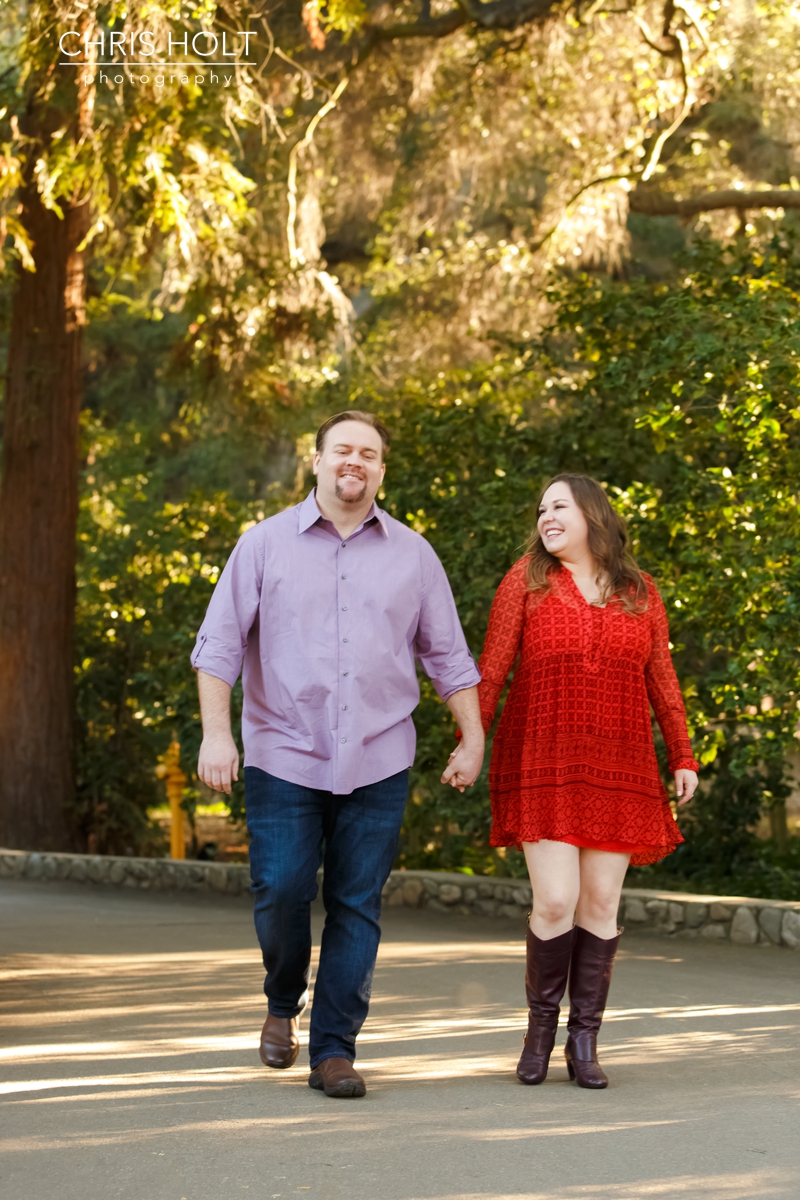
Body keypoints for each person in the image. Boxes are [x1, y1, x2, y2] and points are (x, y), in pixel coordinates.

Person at [191, 410, 484, 1099]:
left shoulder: (414, 554)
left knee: (357, 903)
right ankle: (281, 998)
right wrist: (215, 733)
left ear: (382, 470)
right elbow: (220, 648)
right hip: (284, 749)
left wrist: (472, 736)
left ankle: (334, 1050)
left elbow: (448, 656)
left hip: (380, 754)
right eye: (343, 450)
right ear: (316, 460)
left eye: (370, 454)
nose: (355, 462)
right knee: (283, 888)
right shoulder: (263, 546)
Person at [477, 473, 698, 1089]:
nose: (546, 516)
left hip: (622, 765)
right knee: (554, 901)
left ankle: (584, 1041)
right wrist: (472, 742)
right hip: (544, 762)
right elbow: (490, 672)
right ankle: (539, 1032)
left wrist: (683, 754)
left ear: (593, 514)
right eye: (541, 507)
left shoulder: (640, 592)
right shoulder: (525, 582)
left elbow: (663, 680)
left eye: (559, 506)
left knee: (600, 904)